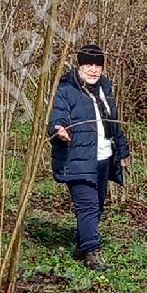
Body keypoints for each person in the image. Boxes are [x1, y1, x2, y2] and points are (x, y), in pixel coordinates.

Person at [48, 43, 130, 269]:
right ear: (79, 66)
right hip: (77, 157)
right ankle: (92, 253)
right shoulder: (66, 88)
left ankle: (84, 243)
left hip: (104, 157)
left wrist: (122, 152)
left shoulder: (105, 87)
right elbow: (58, 116)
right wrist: (59, 130)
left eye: (97, 66)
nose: (93, 70)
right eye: (88, 65)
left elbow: (113, 122)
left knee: (98, 205)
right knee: (88, 206)